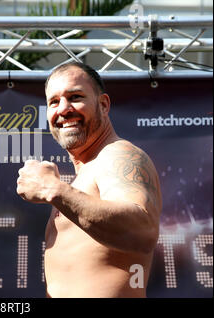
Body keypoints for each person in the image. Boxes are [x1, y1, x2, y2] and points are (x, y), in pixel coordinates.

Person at [16, 62, 162, 297]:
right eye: (54, 102)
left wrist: (52, 188)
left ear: (103, 105)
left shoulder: (118, 154)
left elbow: (142, 232)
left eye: (75, 96)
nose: (63, 109)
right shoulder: (84, 175)